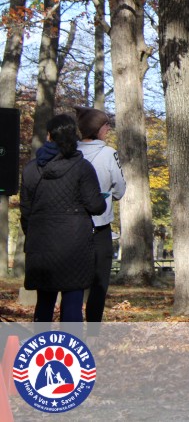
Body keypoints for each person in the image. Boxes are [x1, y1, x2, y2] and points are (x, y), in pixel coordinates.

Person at [21, 114, 108, 322]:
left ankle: (42, 342)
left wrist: (33, 234)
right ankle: (71, 343)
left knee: (44, 302)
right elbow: (96, 206)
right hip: (75, 245)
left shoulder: (31, 169)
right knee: (72, 303)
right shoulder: (82, 167)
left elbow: (26, 210)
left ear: (49, 136)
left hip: (41, 244)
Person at [76, 107, 126, 323]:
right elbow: (120, 188)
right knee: (99, 282)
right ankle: (93, 331)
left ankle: (71, 328)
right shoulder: (108, 154)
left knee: (73, 281)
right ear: (97, 129)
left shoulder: (70, 152)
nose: (108, 129)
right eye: (106, 125)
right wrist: (107, 195)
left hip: (72, 226)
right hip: (100, 225)